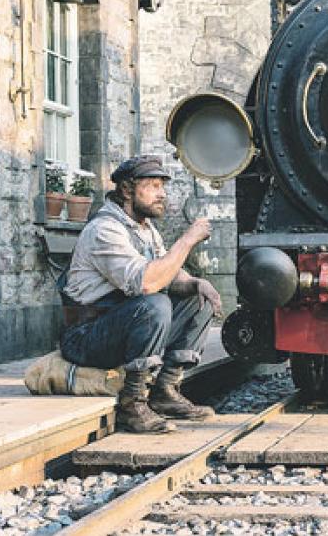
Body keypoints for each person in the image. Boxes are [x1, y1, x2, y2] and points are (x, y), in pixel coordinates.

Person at [60, 155, 222, 434]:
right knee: (154, 303)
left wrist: (195, 283)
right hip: (87, 336)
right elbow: (147, 283)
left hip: (123, 327)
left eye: (163, 186)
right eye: (154, 186)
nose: (163, 194)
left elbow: (169, 273)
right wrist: (187, 239)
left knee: (198, 298)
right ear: (127, 190)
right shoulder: (105, 230)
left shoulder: (145, 230)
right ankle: (132, 404)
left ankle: (164, 391)